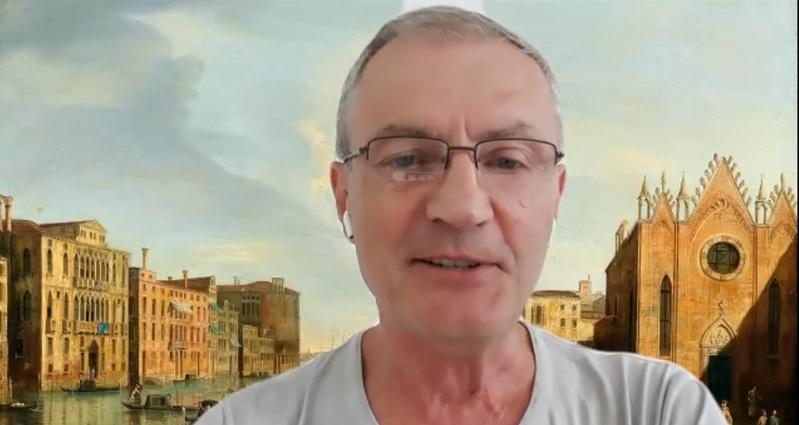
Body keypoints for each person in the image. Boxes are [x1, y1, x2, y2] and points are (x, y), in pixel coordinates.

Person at [196, 6, 728, 425]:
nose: (463, 208)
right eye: (407, 159)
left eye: (507, 160)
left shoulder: (660, 410)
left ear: (556, 196)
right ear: (344, 197)